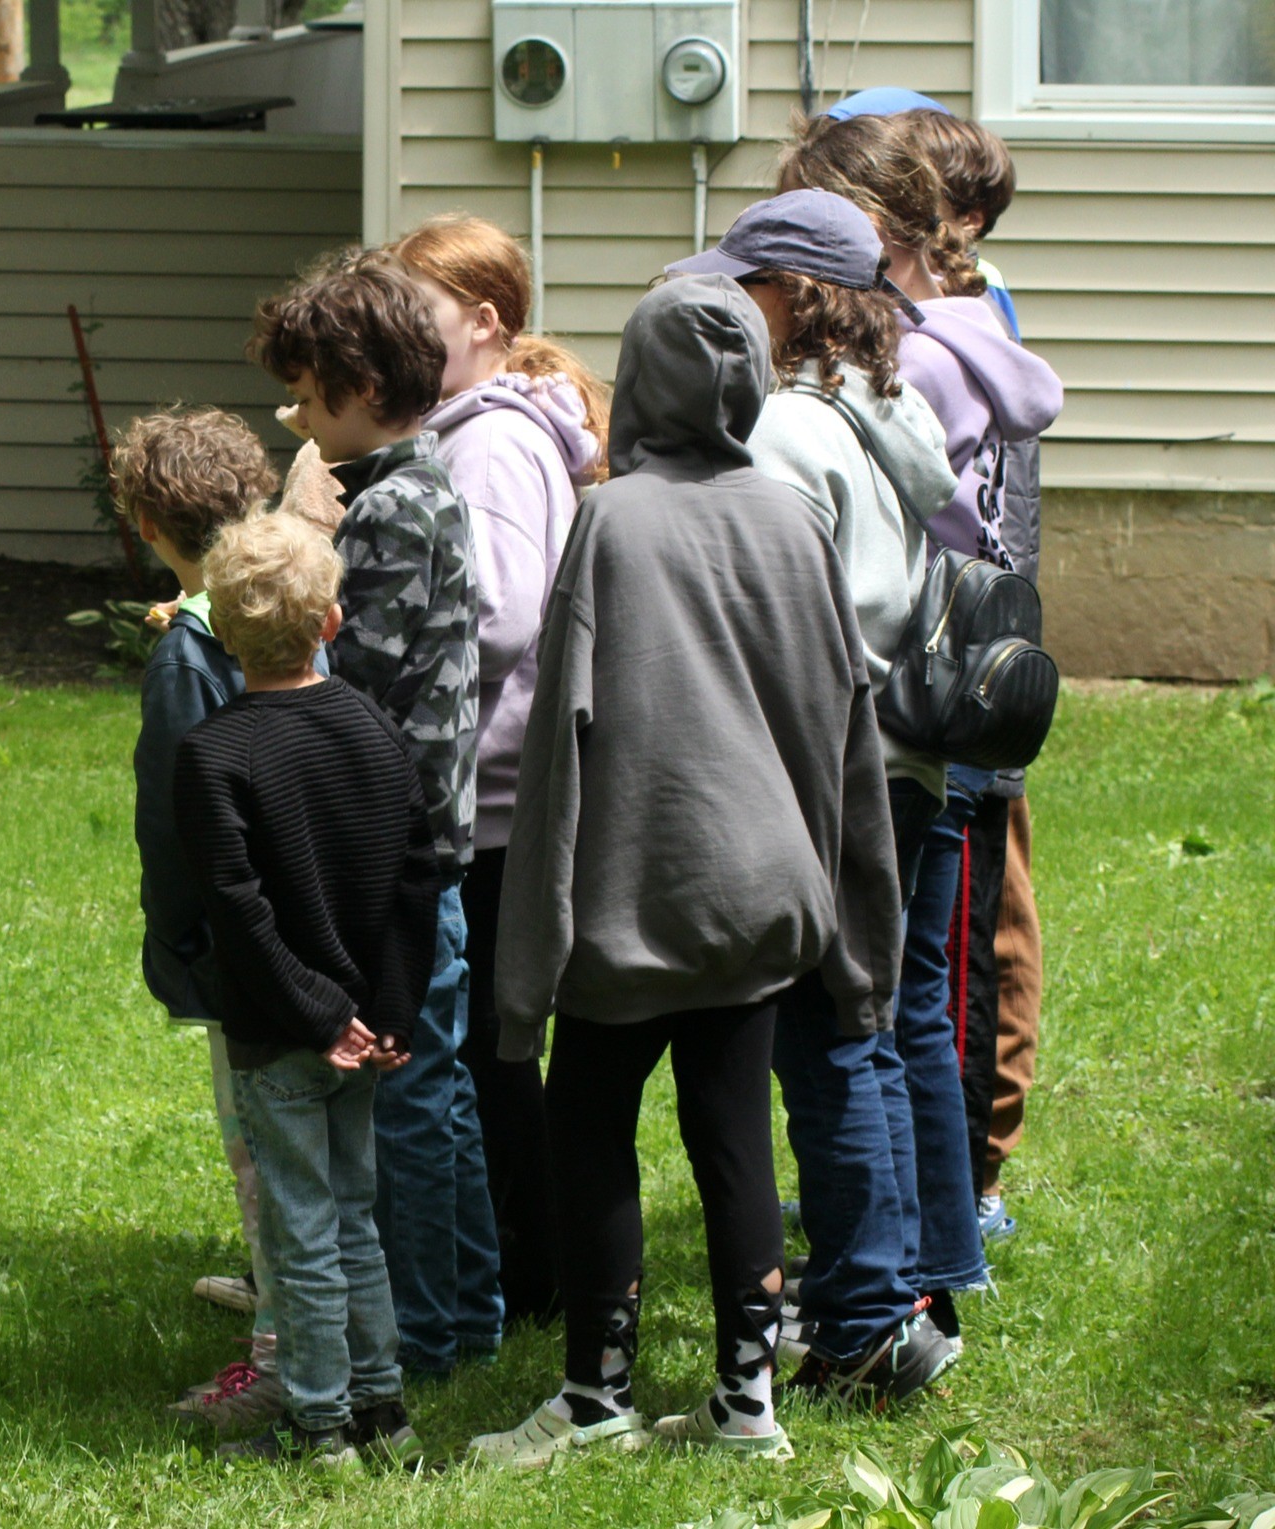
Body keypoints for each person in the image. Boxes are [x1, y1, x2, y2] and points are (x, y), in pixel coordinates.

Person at [472, 276, 902, 1468]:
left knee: (590, 1123)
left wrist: (531, 940)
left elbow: (560, 729)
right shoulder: (790, 519)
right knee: (733, 1132)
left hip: (634, 893)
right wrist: (857, 920)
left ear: (639, 383)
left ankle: (596, 1398)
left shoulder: (611, 520)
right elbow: (841, 726)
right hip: (765, 891)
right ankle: (744, 1402)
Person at [667, 189, 962, 1402]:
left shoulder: (788, 431)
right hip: (898, 763)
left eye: (744, 285)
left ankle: (854, 1322)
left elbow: (784, 625)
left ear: (788, 298)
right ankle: (889, 1297)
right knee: (870, 1030)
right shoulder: (889, 411)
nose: (728, 305)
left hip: (825, 764)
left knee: (827, 1041)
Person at [779, 113, 1062, 1345]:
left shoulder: (908, 361)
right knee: (923, 990)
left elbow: (893, 540)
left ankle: (898, 1271)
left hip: (905, 699)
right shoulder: (982, 337)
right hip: (966, 693)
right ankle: (942, 1247)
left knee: (890, 1005)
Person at [249, 257, 501, 1381]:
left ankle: (437, 1325)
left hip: (394, 853)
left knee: (409, 1097)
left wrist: (293, 539)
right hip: (410, 841)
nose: (293, 418)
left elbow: (343, 681)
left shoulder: (392, 509)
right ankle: (464, 1307)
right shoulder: (411, 482)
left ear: (356, 384)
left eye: (303, 396)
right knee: (427, 1087)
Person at [171, 511, 441, 1468]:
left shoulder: (214, 755)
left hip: (287, 1034)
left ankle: (320, 1424)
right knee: (358, 1220)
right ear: (330, 622)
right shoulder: (374, 728)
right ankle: (386, 1412)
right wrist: (390, 1012)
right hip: (370, 1027)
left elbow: (239, 916)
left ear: (219, 633)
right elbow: (419, 878)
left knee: (302, 1237)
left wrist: (320, 1017)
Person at [387, 214, 606, 1330]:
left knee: (482, 1047)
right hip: (498, 786)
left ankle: (527, 1269)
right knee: (486, 1041)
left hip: (494, 794)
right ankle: (520, 1262)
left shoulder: (487, 442)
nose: (393, 332)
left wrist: (388, 656)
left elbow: (505, 610)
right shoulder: (483, 426)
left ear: (484, 321)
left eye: (414, 311)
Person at [114, 407, 288, 1432]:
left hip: (236, 947)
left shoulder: (189, 655)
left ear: (146, 522)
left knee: (261, 1151)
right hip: (302, 927)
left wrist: (176, 940)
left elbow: (180, 826)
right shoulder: (287, 603)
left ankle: (278, 1353)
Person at [896, 106, 1041, 1242]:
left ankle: (967, 1186)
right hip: (941, 663)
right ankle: (927, 1174)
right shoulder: (948, 327)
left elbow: (993, 516)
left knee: (962, 945)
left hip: (955, 672)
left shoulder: (954, 335)